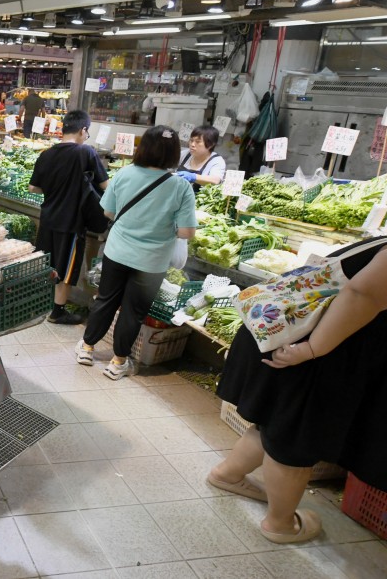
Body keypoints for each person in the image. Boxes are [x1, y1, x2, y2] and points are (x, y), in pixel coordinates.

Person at [211, 239, 387, 544]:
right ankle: (280, 524)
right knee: (296, 442)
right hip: (313, 350)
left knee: (275, 424)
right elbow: (363, 293)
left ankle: (227, 475)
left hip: (286, 332)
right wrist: (312, 349)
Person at [75, 125, 197, 380]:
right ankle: (118, 361)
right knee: (133, 310)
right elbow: (186, 232)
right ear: (174, 153)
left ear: (144, 148)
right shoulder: (180, 187)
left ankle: (87, 348)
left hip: (118, 251)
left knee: (106, 299)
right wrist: (162, 226)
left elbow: (107, 212)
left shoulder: (124, 174)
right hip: (151, 261)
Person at [28, 110, 109, 325]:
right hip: (71, 221)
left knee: (51, 263)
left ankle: (47, 304)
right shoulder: (86, 153)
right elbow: (106, 187)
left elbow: (33, 187)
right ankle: (58, 312)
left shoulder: (46, 153)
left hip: (48, 218)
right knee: (66, 267)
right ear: (83, 130)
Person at [176, 125, 226, 193]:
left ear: (210, 144)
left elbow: (215, 180)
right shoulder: (184, 154)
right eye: (191, 140)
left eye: (198, 141)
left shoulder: (217, 161)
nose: (192, 144)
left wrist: (193, 177)